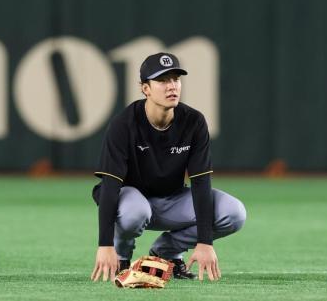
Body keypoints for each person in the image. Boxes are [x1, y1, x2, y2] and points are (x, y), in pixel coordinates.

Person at [90, 53, 247, 283]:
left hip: (171, 199)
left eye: (175, 79)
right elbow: (110, 186)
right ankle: (122, 257)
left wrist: (205, 242)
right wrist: (105, 245)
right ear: (145, 89)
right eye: (162, 81)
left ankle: (166, 252)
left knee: (234, 213)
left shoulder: (193, 121)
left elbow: (201, 182)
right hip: (129, 201)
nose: (171, 86)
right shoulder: (124, 124)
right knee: (136, 211)